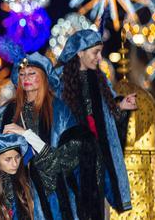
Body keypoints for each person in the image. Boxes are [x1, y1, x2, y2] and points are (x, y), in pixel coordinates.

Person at [0, 52, 87, 219]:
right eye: (22, 73)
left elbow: (70, 158)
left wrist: (27, 135)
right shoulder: (7, 111)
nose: (26, 77)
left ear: (44, 77)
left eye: (32, 73)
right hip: (16, 194)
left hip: (54, 195)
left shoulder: (60, 111)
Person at [58, 29, 136, 218]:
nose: (99, 58)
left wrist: (121, 106)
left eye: (100, 52)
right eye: (95, 53)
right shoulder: (59, 83)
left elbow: (109, 118)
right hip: (72, 159)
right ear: (80, 52)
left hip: (97, 156)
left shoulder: (100, 80)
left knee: (99, 208)